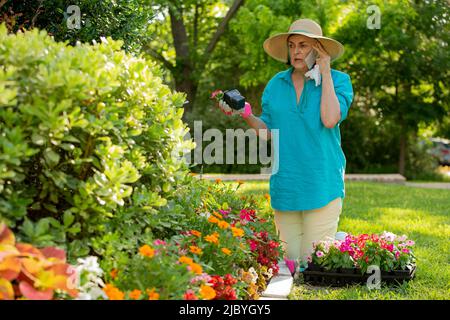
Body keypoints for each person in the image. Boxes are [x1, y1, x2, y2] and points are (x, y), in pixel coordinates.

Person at [216, 19, 354, 275]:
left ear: (319, 49)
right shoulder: (276, 85)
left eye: (303, 45)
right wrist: (246, 114)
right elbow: (268, 133)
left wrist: (325, 73)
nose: (296, 51)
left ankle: (340, 239)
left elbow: (330, 119)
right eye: (292, 45)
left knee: (313, 265)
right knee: (289, 265)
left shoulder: (339, 81)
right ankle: (335, 240)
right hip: (287, 184)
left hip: (322, 183)